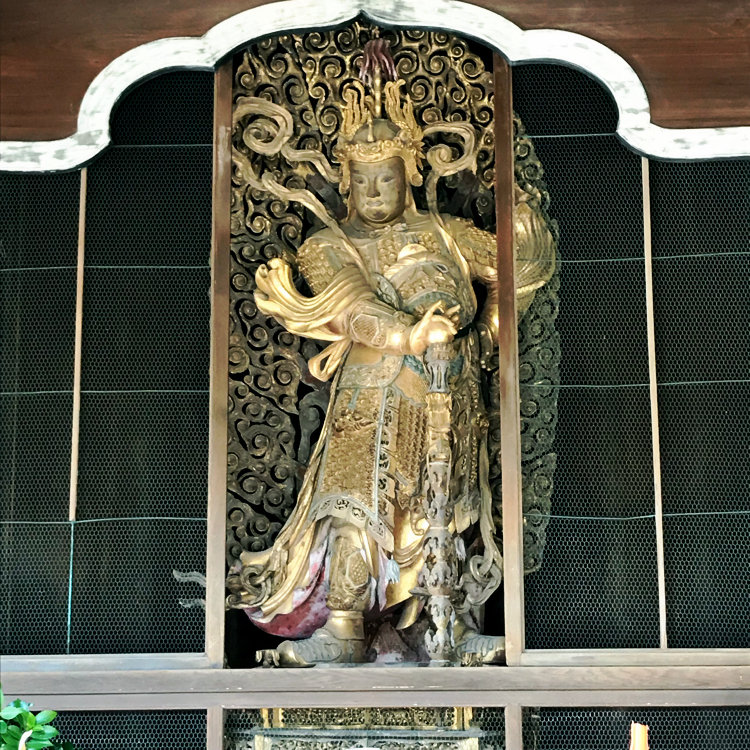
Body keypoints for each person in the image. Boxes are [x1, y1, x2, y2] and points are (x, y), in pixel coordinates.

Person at [226, 75, 556, 667]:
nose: (374, 191)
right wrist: (409, 334)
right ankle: (345, 625)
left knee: (448, 508)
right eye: (362, 180)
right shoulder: (328, 245)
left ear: (408, 176)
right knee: (352, 505)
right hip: (370, 396)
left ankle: (449, 625)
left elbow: (512, 272)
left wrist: (487, 327)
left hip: (449, 390)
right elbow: (350, 308)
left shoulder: (445, 233)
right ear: (346, 184)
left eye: (386, 178)